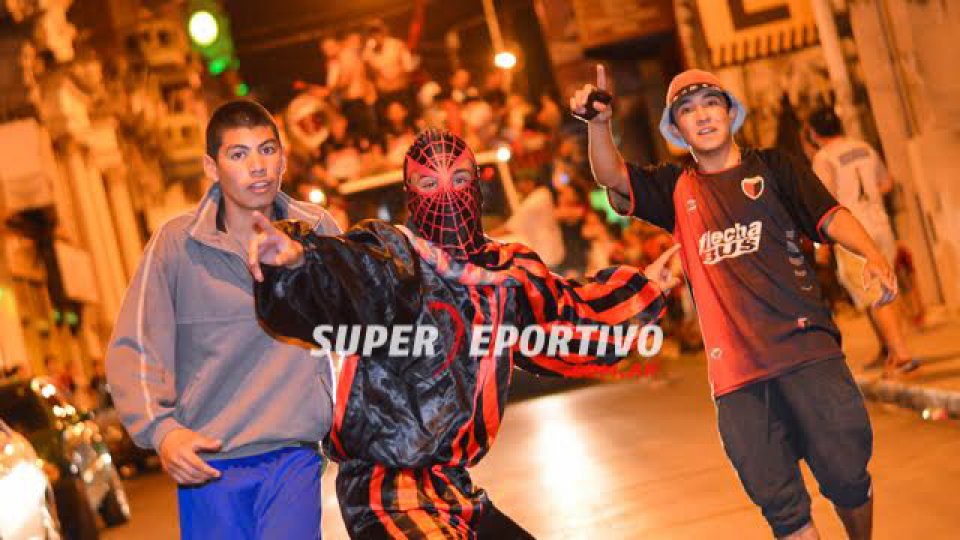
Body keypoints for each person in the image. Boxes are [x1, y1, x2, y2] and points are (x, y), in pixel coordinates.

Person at [246, 128, 680, 539]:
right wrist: (298, 261)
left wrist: (648, 288)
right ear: (410, 195)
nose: (448, 193)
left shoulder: (507, 273)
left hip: (453, 488)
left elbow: (571, 323)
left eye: (459, 178)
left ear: (477, 184)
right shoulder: (397, 256)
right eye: (428, 183)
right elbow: (349, 275)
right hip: (387, 492)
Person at [572, 66, 898, 539]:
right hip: (737, 379)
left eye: (709, 104)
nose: (701, 117)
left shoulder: (775, 168)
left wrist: (871, 254)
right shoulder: (673, 188)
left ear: (730, 111)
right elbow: (613, 177)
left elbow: (830, 215)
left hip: (809, 354)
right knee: (782, 506)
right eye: (686, 111)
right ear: (676, 130)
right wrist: (598, 125)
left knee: (848, 474)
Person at [106, 100, 340, 539]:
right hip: (207, 465)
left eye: (268, 150)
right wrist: (162, 432)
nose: (258, 166)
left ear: (284, 158)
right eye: (239, 154)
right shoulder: (175, 246)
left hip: (293, 454)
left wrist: (303, 262)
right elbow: (134, 346)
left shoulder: (315, 229)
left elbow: (361, 309)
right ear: (211, 167)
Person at [806, 106, 920, 378]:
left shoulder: (824, 158)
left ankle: (901, 354)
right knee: (875, 290)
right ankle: (887, 350)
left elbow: (825, 202)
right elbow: (887, 183)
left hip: (854, 234)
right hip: (880, 224)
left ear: (813, 133)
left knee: (876, 293)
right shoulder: (864, 147)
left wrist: (823, 247)